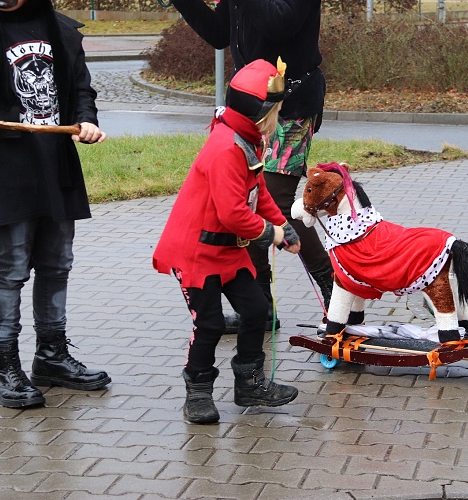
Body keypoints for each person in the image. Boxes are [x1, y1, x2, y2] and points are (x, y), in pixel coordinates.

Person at [0, 0, 111, 408]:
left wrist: (87, 119)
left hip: (56, 161)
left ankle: (51, 356)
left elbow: (81, 88)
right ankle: (4, 367)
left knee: (57, 263)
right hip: (3, 163)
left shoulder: (61, 29)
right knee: (10, 267)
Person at [170, 0, 335, 332]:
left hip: (293, 104)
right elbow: (219, 34)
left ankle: (336, 298)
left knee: (277, 202)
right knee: (252, 202)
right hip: (250, 107)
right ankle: (259, 310)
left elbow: (280, 24)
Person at [152, 58, 301, 424]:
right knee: (210, 324)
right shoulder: (225, 148)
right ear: (259, 114)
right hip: (196, 253)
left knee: (256, 310)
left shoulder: (248, 141)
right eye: (276, 113)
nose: (278, 121)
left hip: (228, 250)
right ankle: (198, 392)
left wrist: (284, 225)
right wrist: (270, 233)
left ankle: (249, 383)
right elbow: (233, 212)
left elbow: (257, 191)